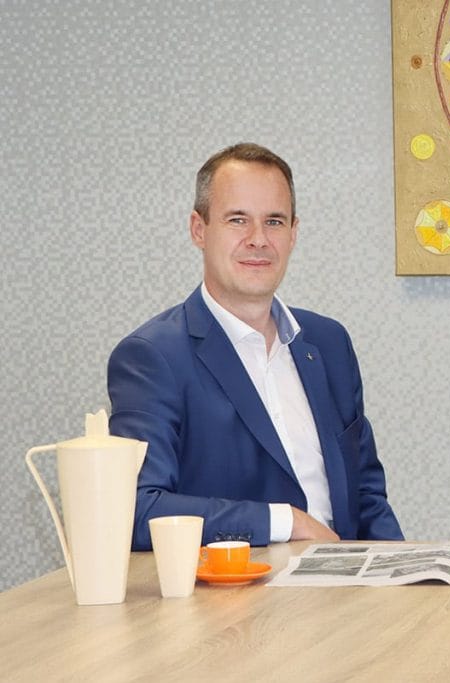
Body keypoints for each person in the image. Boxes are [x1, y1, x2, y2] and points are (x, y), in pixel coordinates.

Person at [108, 142, 402, 551]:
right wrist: (286, 521)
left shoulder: (329, 342)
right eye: (237, 220)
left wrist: (404, 572)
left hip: (346, 581)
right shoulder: (152, 357)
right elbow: (139, 510)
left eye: (274, 221)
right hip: (241, 587)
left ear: (294, 233)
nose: (258, 239)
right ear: (198, 229)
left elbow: (366, 495)